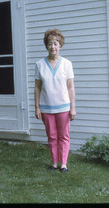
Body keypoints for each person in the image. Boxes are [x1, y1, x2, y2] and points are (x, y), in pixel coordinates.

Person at [34, 29, 76, 173]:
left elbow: (70, 87)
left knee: (63, 136)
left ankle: (63, 164)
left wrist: (73, 107)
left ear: (60, 45)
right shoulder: (39, 65)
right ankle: (54, 163)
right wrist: (37, 107)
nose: (53, 46)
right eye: (50, 44)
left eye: (55, 43)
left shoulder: (67, 64)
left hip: (64, 107)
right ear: (46, 46)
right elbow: (37, 88)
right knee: (52, 136)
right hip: (47, 108)